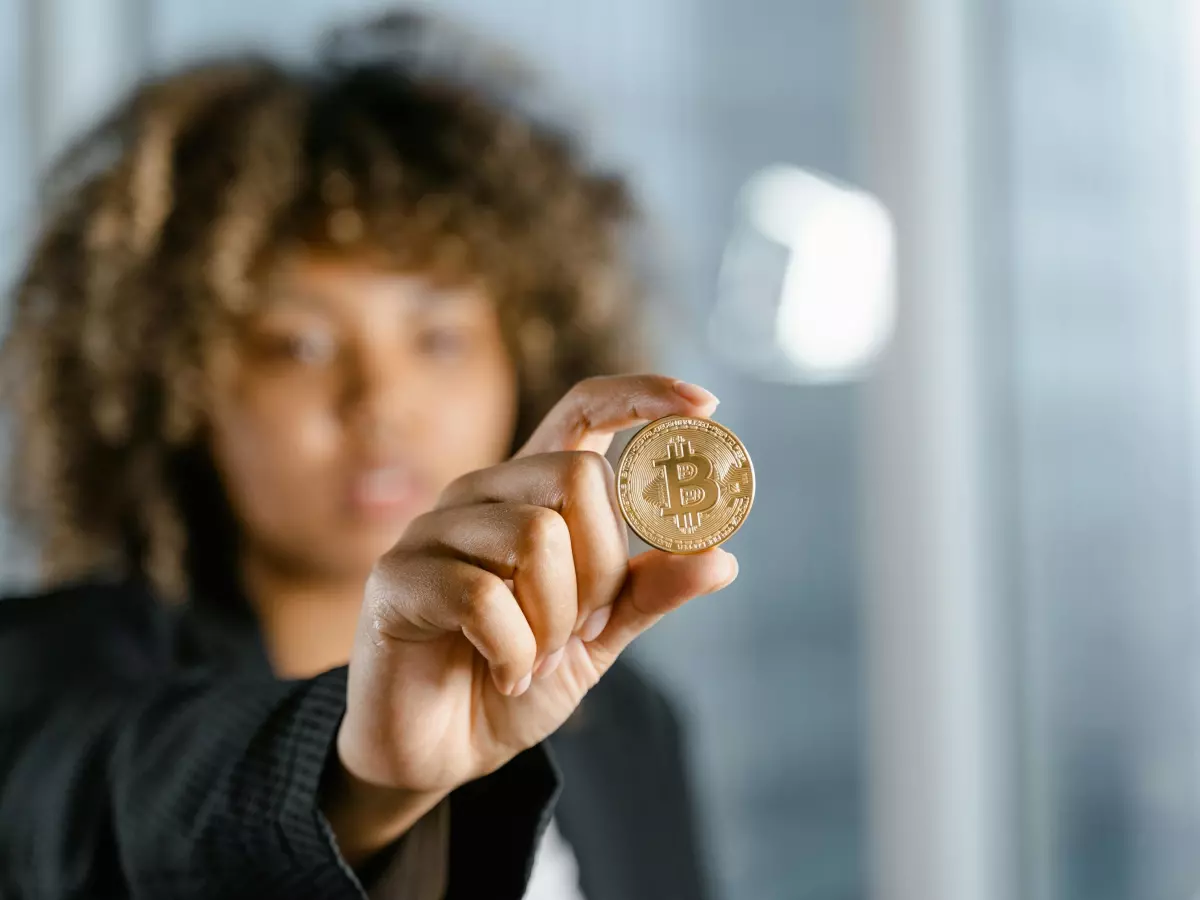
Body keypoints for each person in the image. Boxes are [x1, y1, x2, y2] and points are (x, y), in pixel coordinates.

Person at [0, 10, 733, 900]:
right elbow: (122, 803)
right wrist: (363, 775)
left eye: (439, 338)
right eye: (298, 346)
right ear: (178, 387)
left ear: (525, 358)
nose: (381, 403)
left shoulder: (623, 719)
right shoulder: (42, 673)